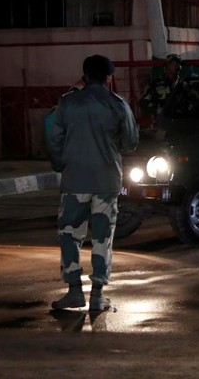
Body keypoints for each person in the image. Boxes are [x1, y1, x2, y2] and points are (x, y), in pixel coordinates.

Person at [46, 54, 139, 311]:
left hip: (74, 180)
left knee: (70, 234)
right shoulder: (117, 104)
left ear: (84, 77)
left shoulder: (67, 103)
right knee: (102, 237)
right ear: (109, 78)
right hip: (106, 181)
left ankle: (74, 290)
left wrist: (60, 163)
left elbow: (54, 139)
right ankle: (98, 295)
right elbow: (131, 142)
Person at [138, 53, 182, 133]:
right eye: (174, 63)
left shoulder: (183, 85)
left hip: (181, 126)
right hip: (163, 126)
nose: (177, 66)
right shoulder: (157, 84)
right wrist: (158, 110)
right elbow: (143, 103)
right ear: (167, 66)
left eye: (179, 64)